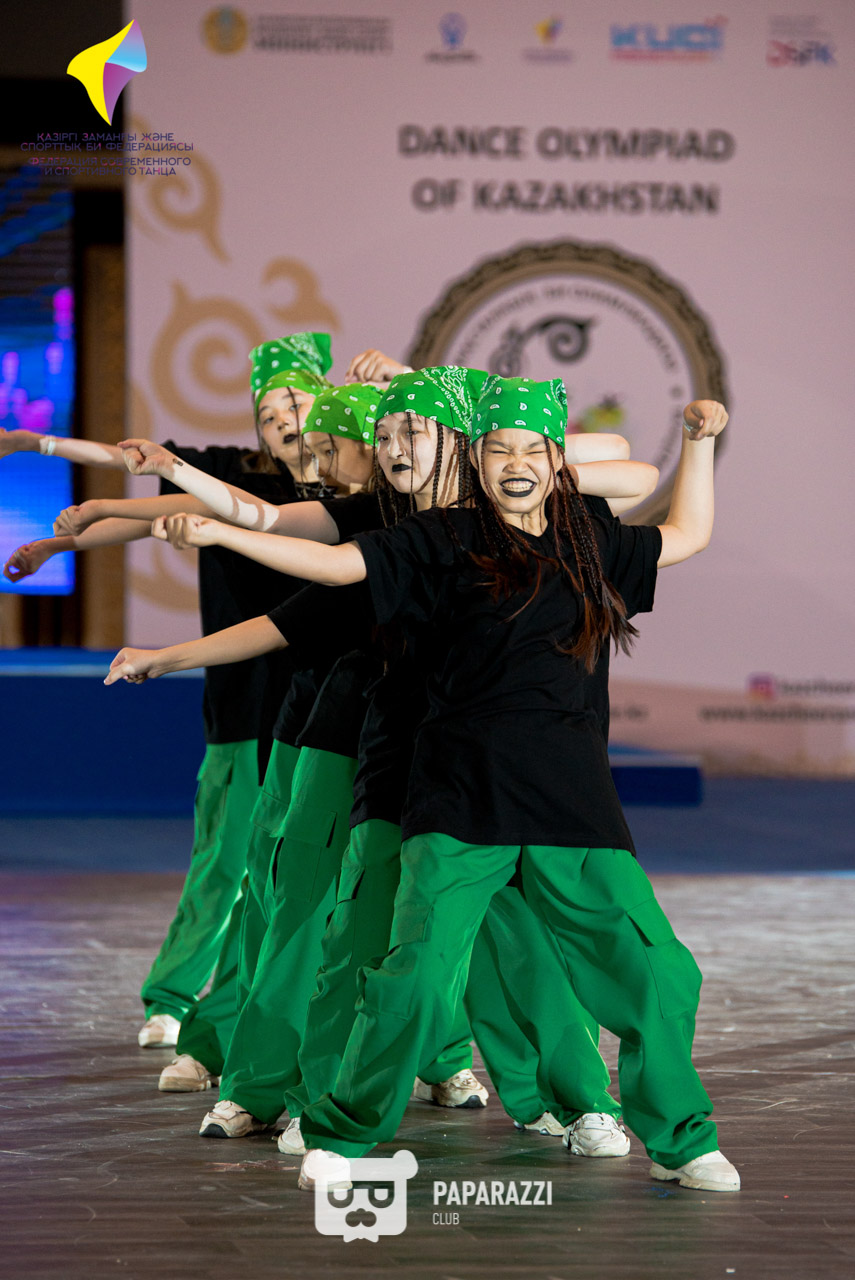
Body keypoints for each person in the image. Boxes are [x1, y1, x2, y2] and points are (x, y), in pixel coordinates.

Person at [108, 367, 661, 1158]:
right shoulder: (378, 525)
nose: (392, 447)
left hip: (494, 768)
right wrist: (168, 654)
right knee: (330, 932)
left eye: (415, 429)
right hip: (378, 751)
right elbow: (289, 610)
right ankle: (282, 1092)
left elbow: (627, 468)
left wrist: (490, 430)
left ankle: (571, 1099)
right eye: (383, 432)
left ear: (465, 442)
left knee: (519, 940)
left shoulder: (530, 517)